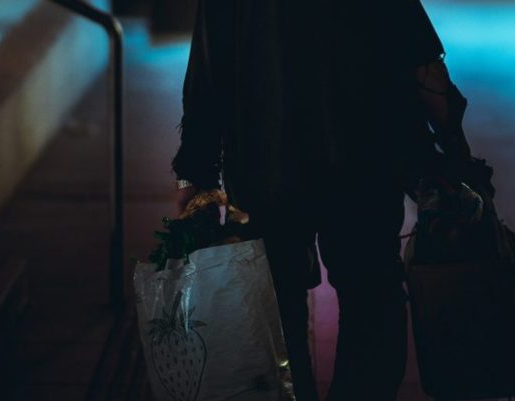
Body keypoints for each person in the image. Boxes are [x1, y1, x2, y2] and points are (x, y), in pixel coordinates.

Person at [171, 1, 454, 400]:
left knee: (275, 304)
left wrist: (194, 172)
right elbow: (421, 63)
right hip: (364, 165)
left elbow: (208, 68)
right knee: (370, 297)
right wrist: (453, 151)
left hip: (266, 167)